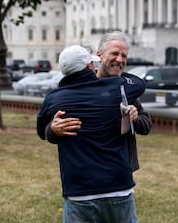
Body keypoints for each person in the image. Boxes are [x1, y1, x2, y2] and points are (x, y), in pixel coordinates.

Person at [36, 45, 145, 223]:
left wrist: (52, 129)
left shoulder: (53, 99)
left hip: (79, 190)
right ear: (89, 67)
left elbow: (42, 131)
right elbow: (140, 83)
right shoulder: (116, 89)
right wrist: (114, 69)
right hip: (118, 185)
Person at [46, 31, 151, 171]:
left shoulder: (126, 88)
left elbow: (146, 126)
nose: (120, 60)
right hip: (86, 172)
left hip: (120, 172)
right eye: (114, 53)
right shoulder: (79, 88)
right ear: (99, 55)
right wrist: (53, 129)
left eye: (124, 56)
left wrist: (135, 118)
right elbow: (49, 131)